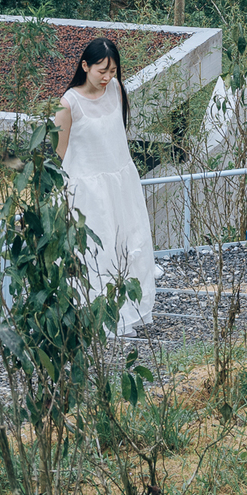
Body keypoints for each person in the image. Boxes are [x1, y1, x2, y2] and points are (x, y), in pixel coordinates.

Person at [53, 36, 157, 336]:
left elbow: (118, 134)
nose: (108, 77)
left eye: (113, 70)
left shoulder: (117, 89)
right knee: (97, 254)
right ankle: (95, 320)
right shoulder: (69, 104)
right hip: (88, 193)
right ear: (85, 66)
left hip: (122, 185)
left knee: (128, 245)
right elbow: (62, 152)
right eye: (102, 70)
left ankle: (129, 312)